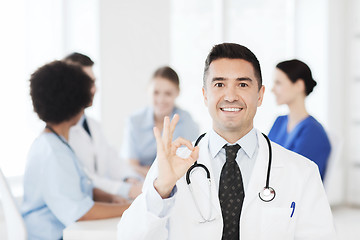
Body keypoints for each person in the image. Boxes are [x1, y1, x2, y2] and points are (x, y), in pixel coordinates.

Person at [117, 43, 336, 239]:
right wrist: (161, 189)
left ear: (260, 95)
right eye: (219, 85)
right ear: (205, 95)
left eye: (242, 85)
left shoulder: (302, 172)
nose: (230, 96)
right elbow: (129, 236)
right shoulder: (170, 167)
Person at [21, 61, 130, 240]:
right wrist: (130, 208)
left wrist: (110, 198)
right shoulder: (53, 153)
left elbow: (77, 188)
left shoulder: (55, 144)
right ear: (76, 103)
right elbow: (81, 212)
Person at [64, 52, 142, 200]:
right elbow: (84, 178)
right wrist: (127, 190)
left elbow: (111, 158)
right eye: (88, 83)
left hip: (98, 202)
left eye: (94, 82)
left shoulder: (93, 125)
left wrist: (130, 178)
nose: (94, 89)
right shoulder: (62, 133)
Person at [121, 66, 199, 177]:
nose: (161, 99)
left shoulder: (187, 121)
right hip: (140, 185)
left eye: (167, 93)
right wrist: (161, 173)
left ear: (177, 93)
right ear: (148, 90)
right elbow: (131, 165)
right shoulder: (134, 121)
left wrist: (146, 170)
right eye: (156, 93)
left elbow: (190, 163)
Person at [268, 59, 331, 180]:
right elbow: (264, 157)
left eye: (278, 83)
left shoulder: (313, 131)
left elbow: (296, 177)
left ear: (299, 86)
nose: (273, 89)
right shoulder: (279, 122)